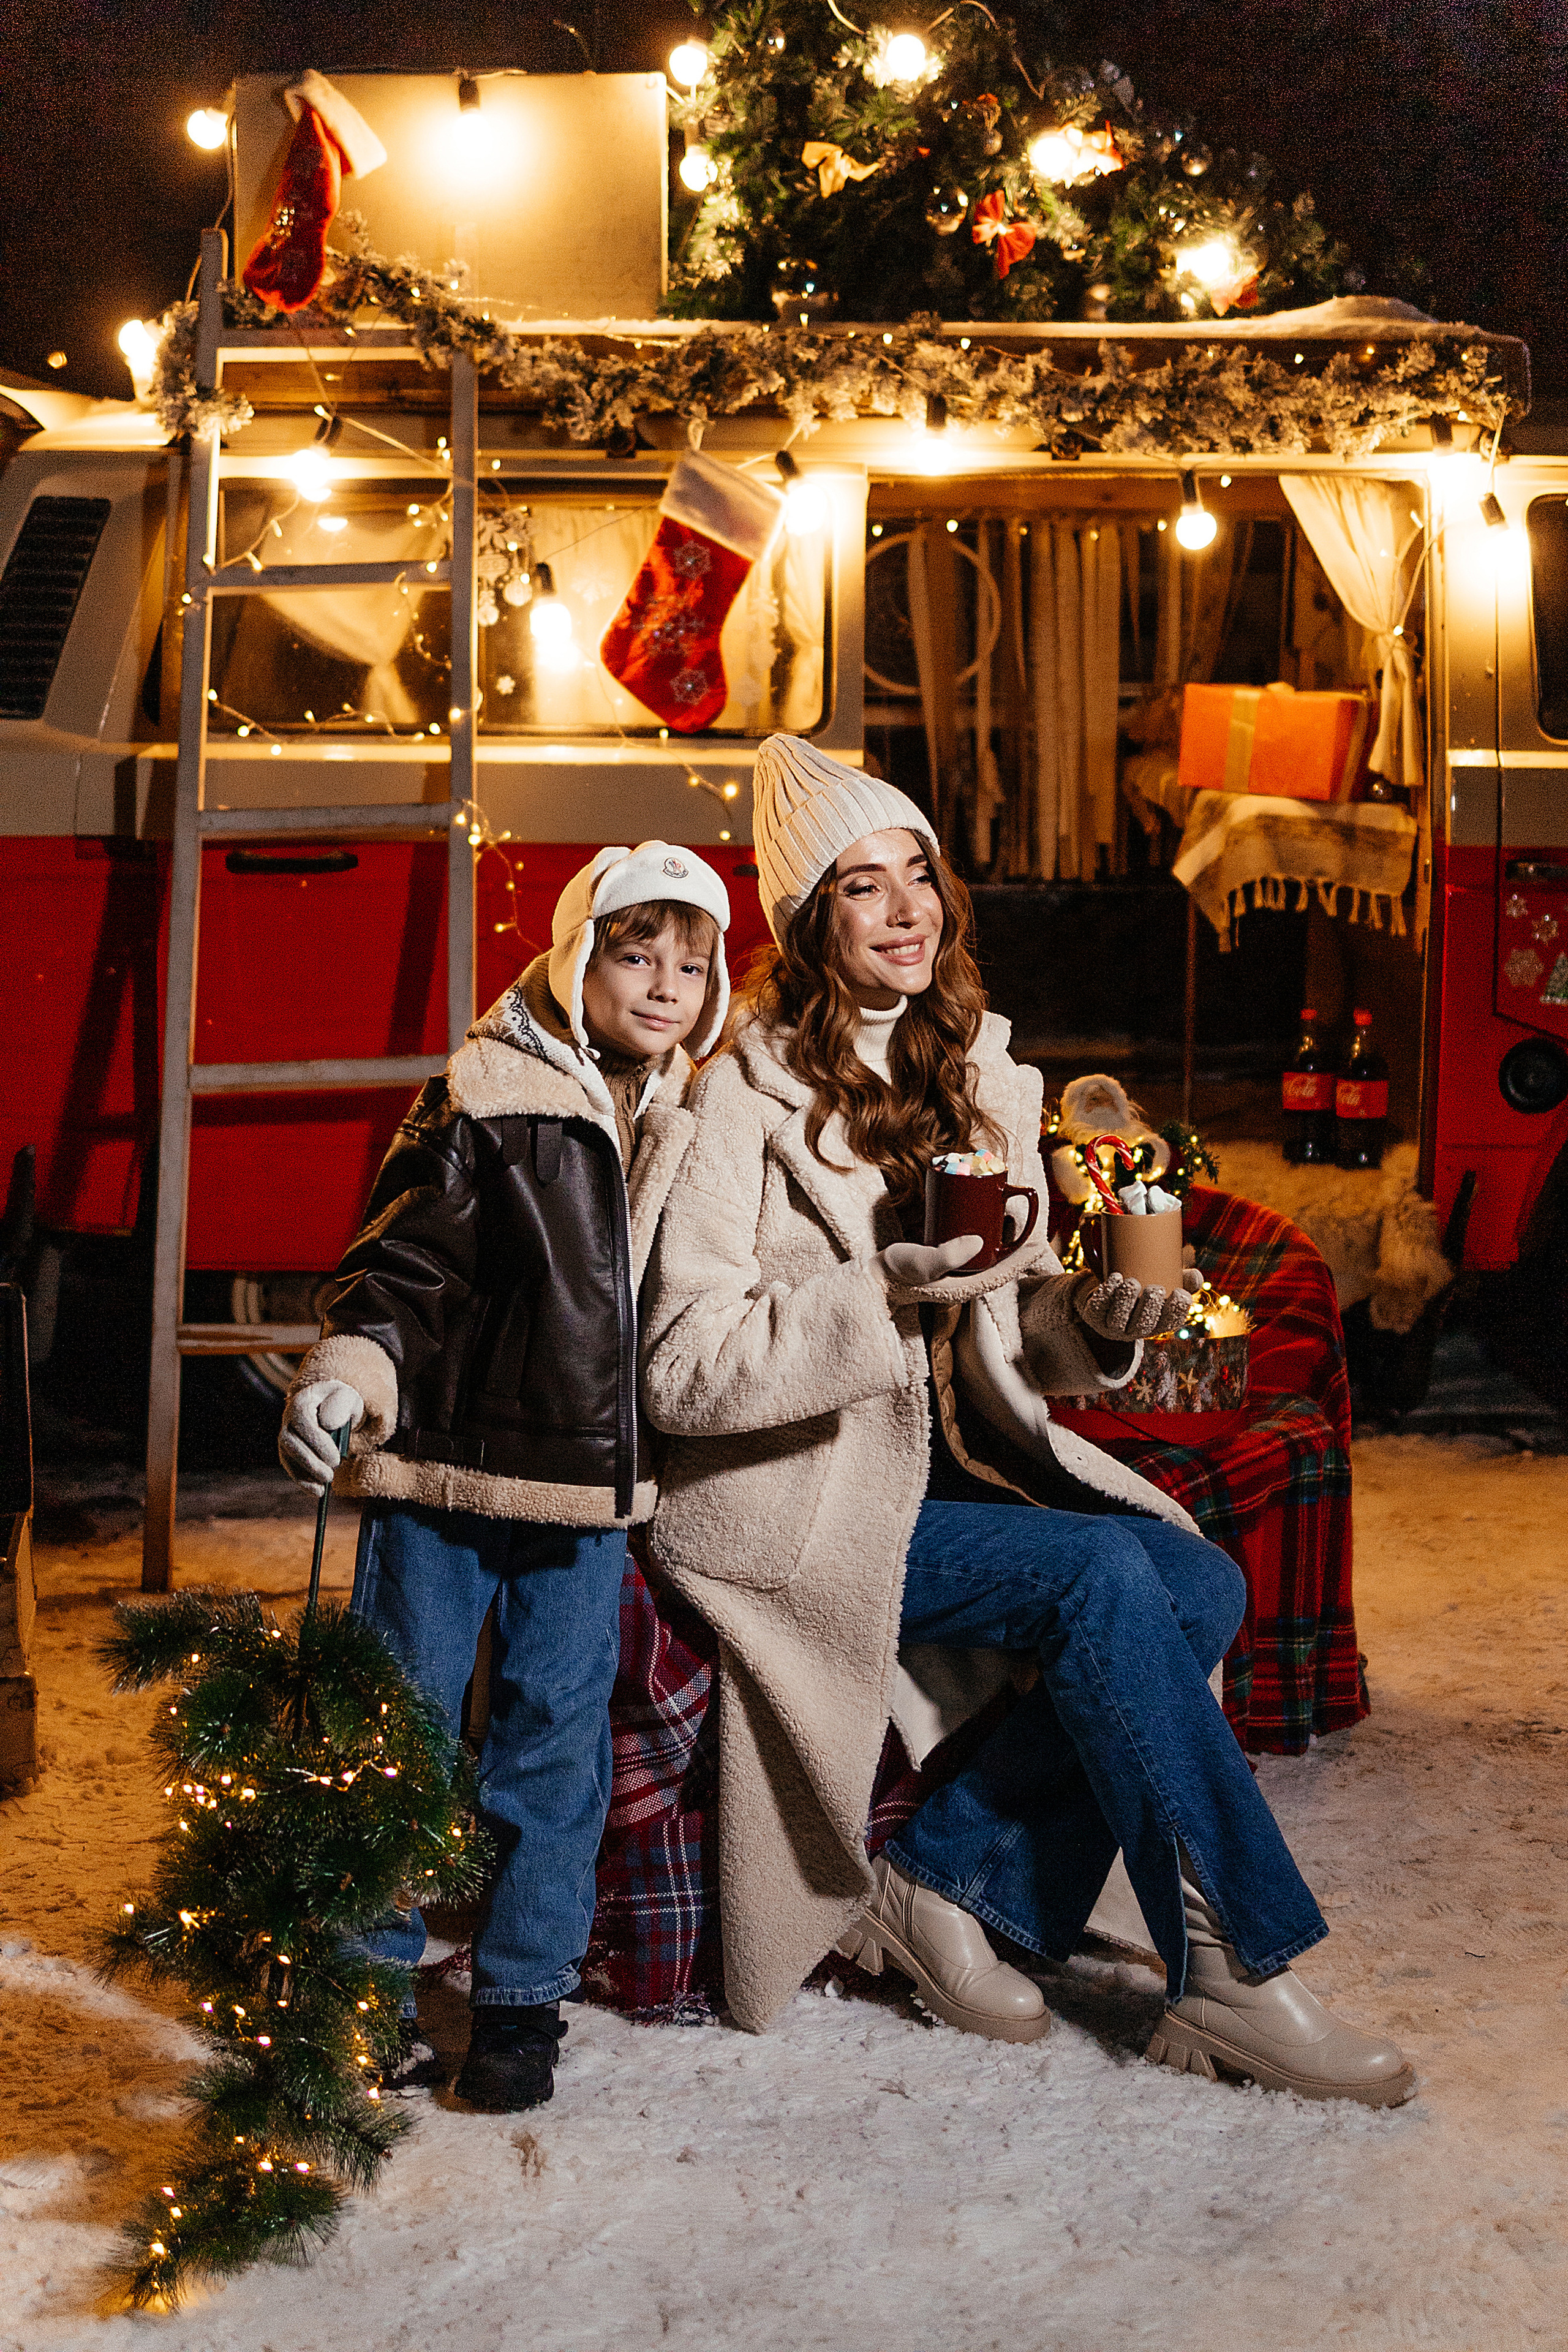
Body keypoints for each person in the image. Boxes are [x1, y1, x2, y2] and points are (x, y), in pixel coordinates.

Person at [639, 736, 1413, 2106]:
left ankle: (941, 1882)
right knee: (1107, 1573)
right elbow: (683, 1373)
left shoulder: (984, 1081)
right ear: (810, 921)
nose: (904, 911)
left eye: (918, 876)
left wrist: (1095, 1322)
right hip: (797, 1500)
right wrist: (879, 1287)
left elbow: (1014, 1327)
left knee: (1195, 1578)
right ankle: (1235, 1973)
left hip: (955, 1471)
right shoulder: (733, 1099)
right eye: (861, 887)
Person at [278, 842, 728, 2111]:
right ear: (577, 954)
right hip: (445, 1473)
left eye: (690, 966)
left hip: (586, 1499)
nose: (663, 987)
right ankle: (360, 1982)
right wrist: (353, 1370)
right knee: (399, 1728)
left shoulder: (682, 1106)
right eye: (635, 955)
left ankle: (521, 2000)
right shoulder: (484, 1093)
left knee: (554, 1740)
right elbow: (403, 1268)